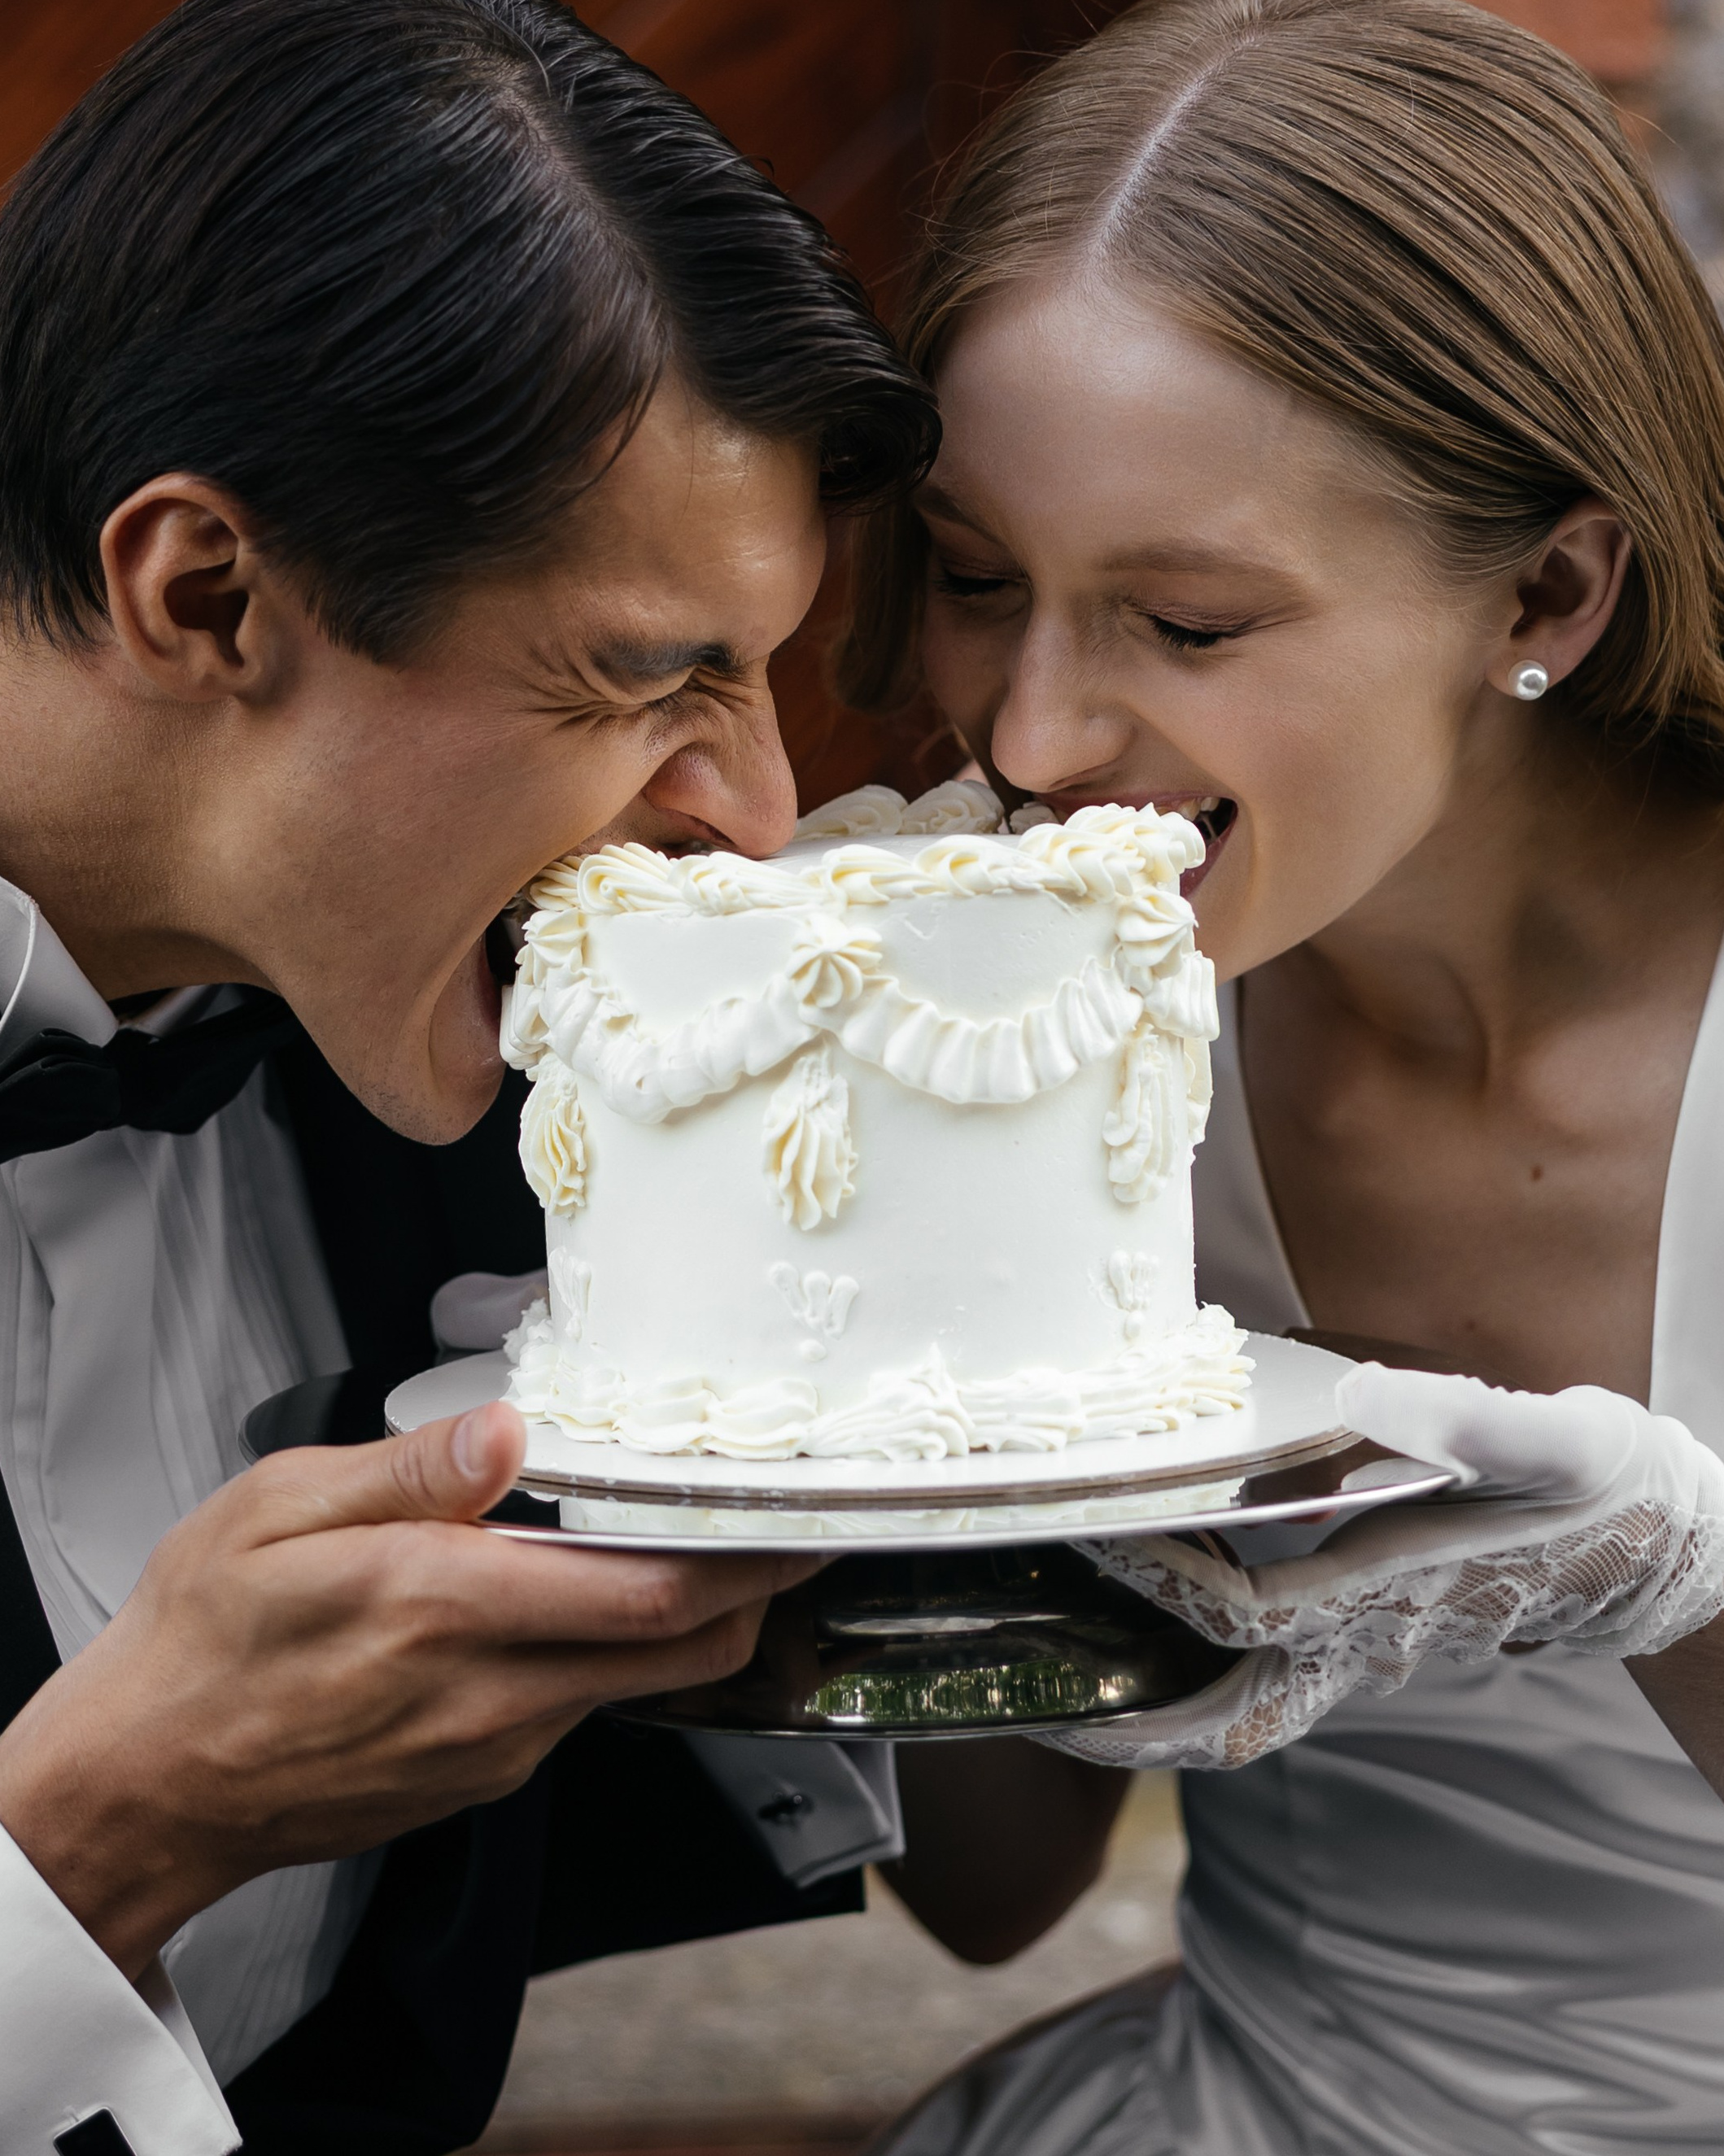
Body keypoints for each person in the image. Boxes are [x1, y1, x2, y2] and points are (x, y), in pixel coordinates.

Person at [0, 3, 937, 2152]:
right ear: (205, 589)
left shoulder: (502, 1064)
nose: (763, 812)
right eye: (657, 676)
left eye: (768, 669)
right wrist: (94, 1835)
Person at [840, 2, 1724, 2148]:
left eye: (1191, 625)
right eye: (976, 582)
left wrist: (1660, 1579)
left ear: (1550, 585)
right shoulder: (997, 1016)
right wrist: (893, 1413)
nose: (1031, 739)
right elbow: (987, 1891)